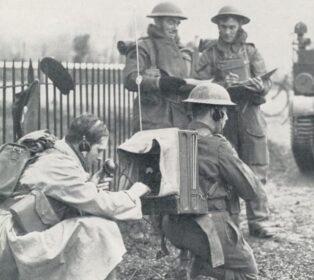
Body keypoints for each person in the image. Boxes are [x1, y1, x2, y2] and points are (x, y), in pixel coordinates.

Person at [0, 114, 151, 280]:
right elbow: (105, 205)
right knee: (100, 230)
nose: (100, 157)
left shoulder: (54, 152)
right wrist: (135, 192)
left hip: (20, 227)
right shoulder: (59, 165)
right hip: (14, 241)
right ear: (84, 145)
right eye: (98, 150)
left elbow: (59, 197)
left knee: (91, 228)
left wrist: (89, 184)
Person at [162, 83, 261, 279]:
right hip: (206, 227)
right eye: (224, 112)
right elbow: (251, 190)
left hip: (171, 225)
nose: (227, 118)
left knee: (205, 258)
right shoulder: (217, 145)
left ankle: (194, 270)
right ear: (215, 113)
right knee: (248, 273)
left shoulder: (173, 139)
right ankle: (199, 273)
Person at [195, 5, 275, 238]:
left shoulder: (251, 51)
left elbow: (266, 80)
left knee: (256, 168)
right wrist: (220, 83)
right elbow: (198, 83)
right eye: (223, 27)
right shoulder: (209, 53)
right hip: (222, 118)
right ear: (217, 27)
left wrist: (261, 85)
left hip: (250, 115)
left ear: (240, 26)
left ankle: (259, 221)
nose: (227, 31)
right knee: (227, 170)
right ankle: (231, 224)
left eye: (231, 27)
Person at [121, 2, 192, 132]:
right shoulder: (143, 47)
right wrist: (158, 83)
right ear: (157, 22)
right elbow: (130, 78)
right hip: (152, 120)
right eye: (171, 22)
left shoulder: (182, 51)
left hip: (181, 119)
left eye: (177, 23)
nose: (175, 28)